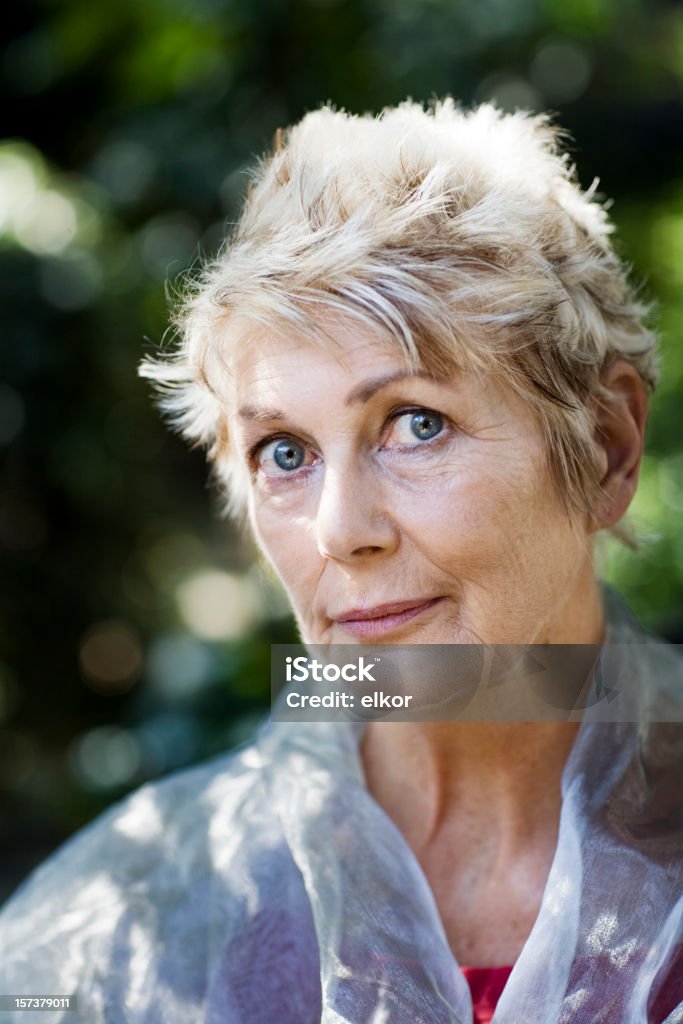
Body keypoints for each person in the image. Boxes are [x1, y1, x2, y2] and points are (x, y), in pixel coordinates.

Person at [0, 99, 681, 1023]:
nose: (337, 530)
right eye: (284, 451)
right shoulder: (131, 919)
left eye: (415, 424)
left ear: (603, 447)